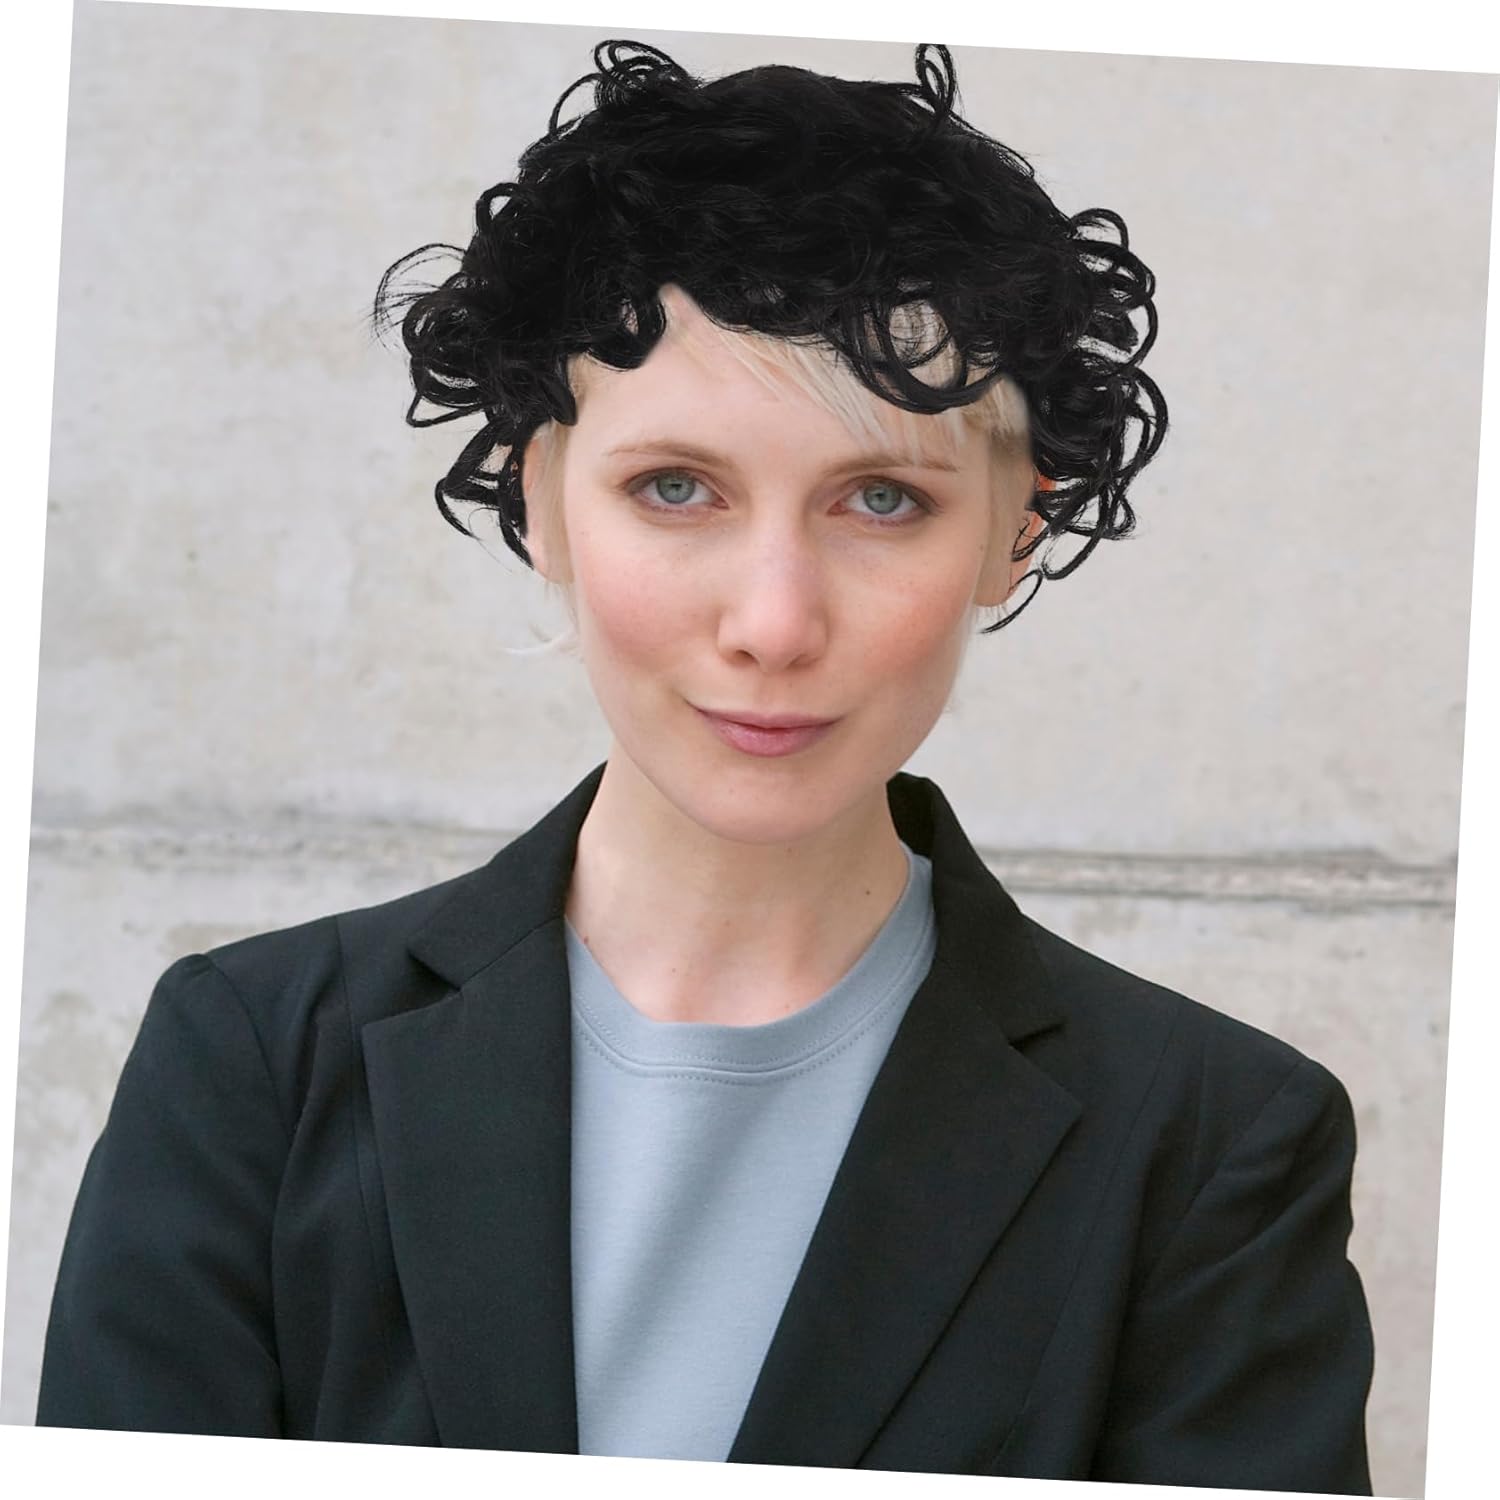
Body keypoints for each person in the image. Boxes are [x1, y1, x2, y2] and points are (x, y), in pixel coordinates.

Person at [36, 39, 1374, 1491]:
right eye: (676, 489)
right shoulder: (252, 1063)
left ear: (1018, 530)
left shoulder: (1213, 1143)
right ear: (541, 500)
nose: (774, 624)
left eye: (882, 499)